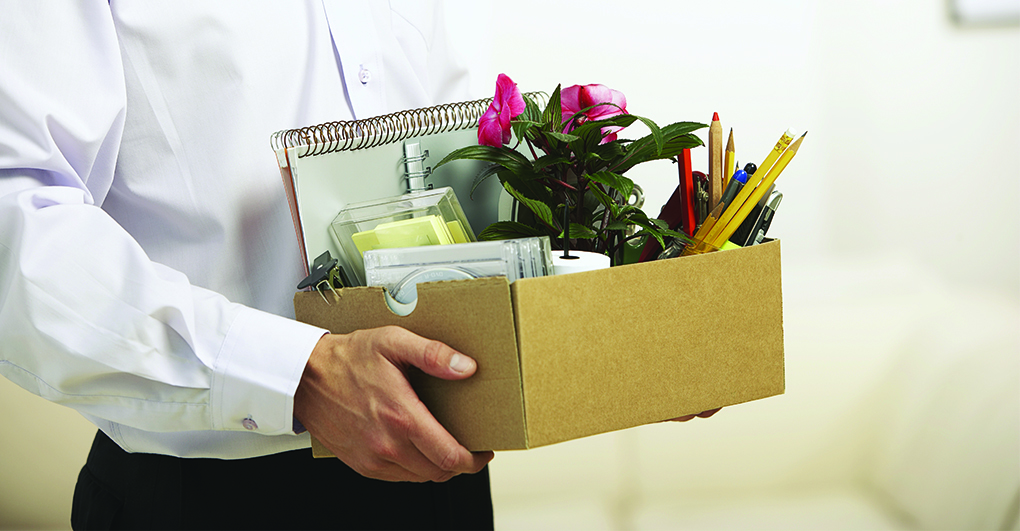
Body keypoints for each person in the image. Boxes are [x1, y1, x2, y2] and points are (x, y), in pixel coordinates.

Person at [0, 1, 495, 529]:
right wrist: (297, 377)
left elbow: (465, 133)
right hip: (209, 496)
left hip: (444, 467)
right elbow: (19, 224)